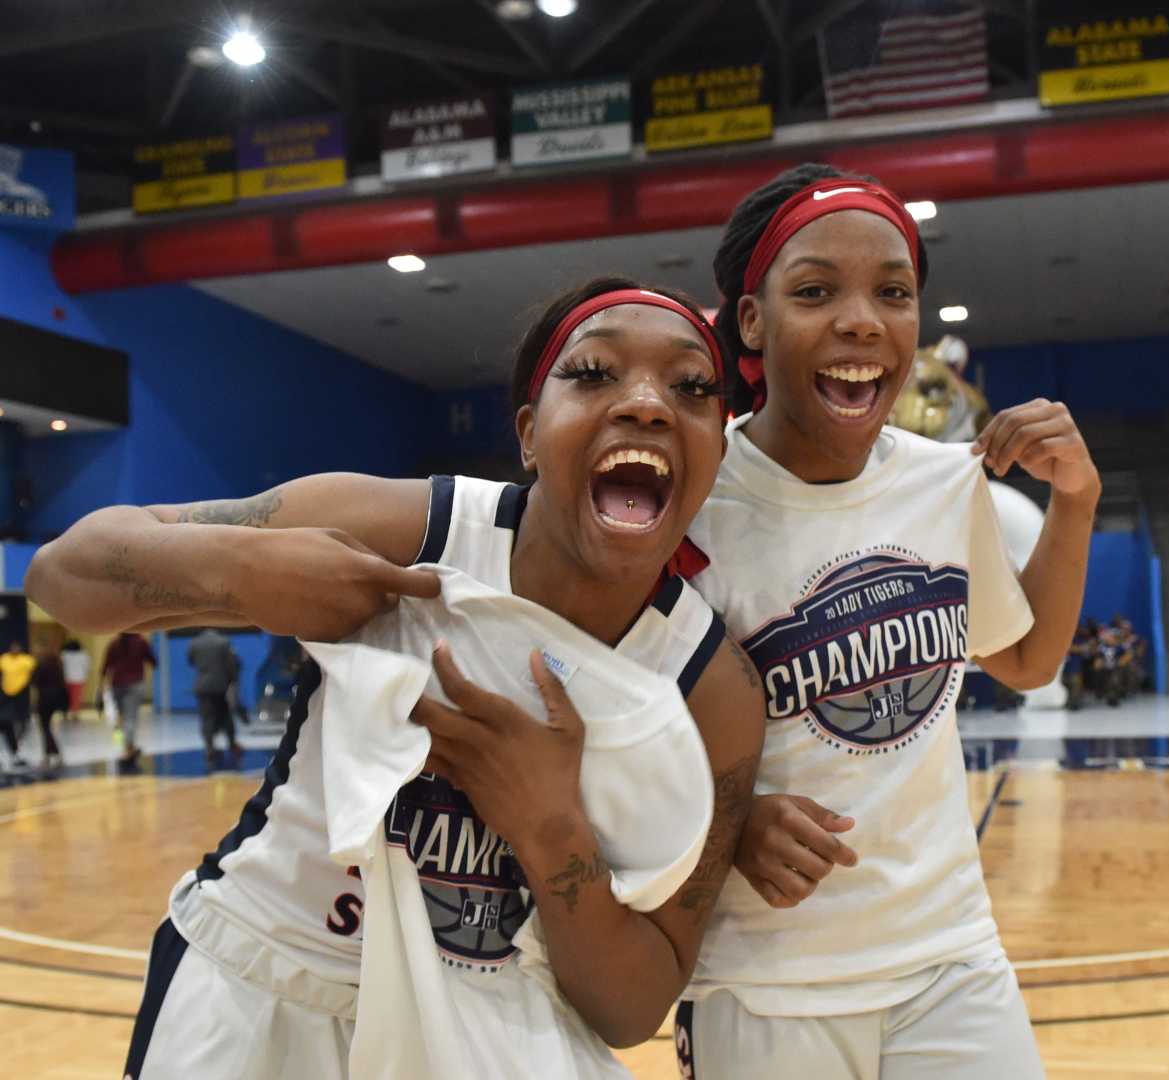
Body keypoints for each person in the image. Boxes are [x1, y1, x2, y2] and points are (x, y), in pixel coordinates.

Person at [25, 277, 765, 1079]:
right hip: (269, 984)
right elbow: (62, 575)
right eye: (594, 373)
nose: (648, 404)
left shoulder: (713, 687)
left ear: (717, 451)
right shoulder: (411, 530)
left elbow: (631, 1009)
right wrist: (235, 569)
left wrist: (551, 829)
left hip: (496, 1019)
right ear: (528, 432)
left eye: (692, 388)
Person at [677, 163, 1098, 1080]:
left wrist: (1076, 502)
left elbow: (1024, 658)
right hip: (761, 982)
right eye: (816, 290)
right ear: (752, 320)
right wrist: (729, 821)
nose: (862, 318)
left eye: (893, 292)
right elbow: (607, 739)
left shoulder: (944, 483)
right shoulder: (692, 506)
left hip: (949, 956)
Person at [187, 628, 241, 769]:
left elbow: (191, 661)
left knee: (206, 717)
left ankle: (209, 748)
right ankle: (232, 744)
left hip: (202, 686)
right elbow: (230, 664)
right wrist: (233, 680)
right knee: (226, 715)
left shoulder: (194, 642)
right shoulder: (223, 642)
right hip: (220, 685)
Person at [100, 631, 157, 765]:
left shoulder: (114, 643)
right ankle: (127, 749)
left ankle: (129, 747)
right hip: (135, 684)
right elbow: (154, 661)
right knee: (130, 717)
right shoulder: (141, 642)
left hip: (117, 685)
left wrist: (101, 685)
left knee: (123, 717)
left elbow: (105, 666)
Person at [0, 640, 36, 769]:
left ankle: (16, 754)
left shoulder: (27, 660)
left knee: (19, 725)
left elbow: (32, 676)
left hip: (21, 696)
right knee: (7, 726)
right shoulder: (4, 659)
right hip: (4, 697)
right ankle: (14, 754)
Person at [32, 643, 67, 770]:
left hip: (45, 699)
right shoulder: (58, 664)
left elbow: (34, 683)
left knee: (45, 729)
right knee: (47, 728)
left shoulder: (41, 664)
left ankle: (51, 756)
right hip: (56, 699)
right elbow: (62, 682)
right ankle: (51, 756)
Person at [60, 638, 91, 718]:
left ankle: (65, 712)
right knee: (76, 697)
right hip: (79, 679)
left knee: (66, 696)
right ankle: (75, 713)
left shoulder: (64, 654)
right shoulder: (84, 655)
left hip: (66, 678)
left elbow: (61, 666)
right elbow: (87, 667)